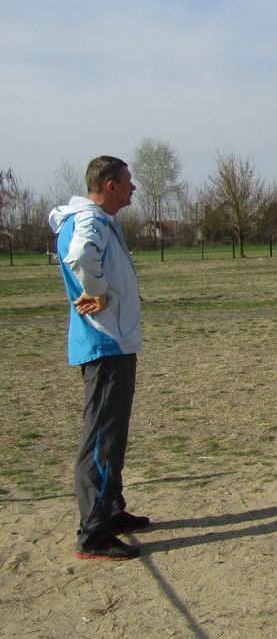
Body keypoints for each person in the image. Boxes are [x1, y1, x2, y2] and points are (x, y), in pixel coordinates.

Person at [49, 156, 149, 560]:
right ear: (110, 185)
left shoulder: (101, 221)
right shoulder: (89, 221)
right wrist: (99, 291)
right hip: (106, 343)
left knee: (112, 435)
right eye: (128, 181)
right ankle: (93, 534)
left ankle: (111, 510)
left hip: (114, 342)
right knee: (101, 440)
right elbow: (81, 256)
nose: (133, 188)